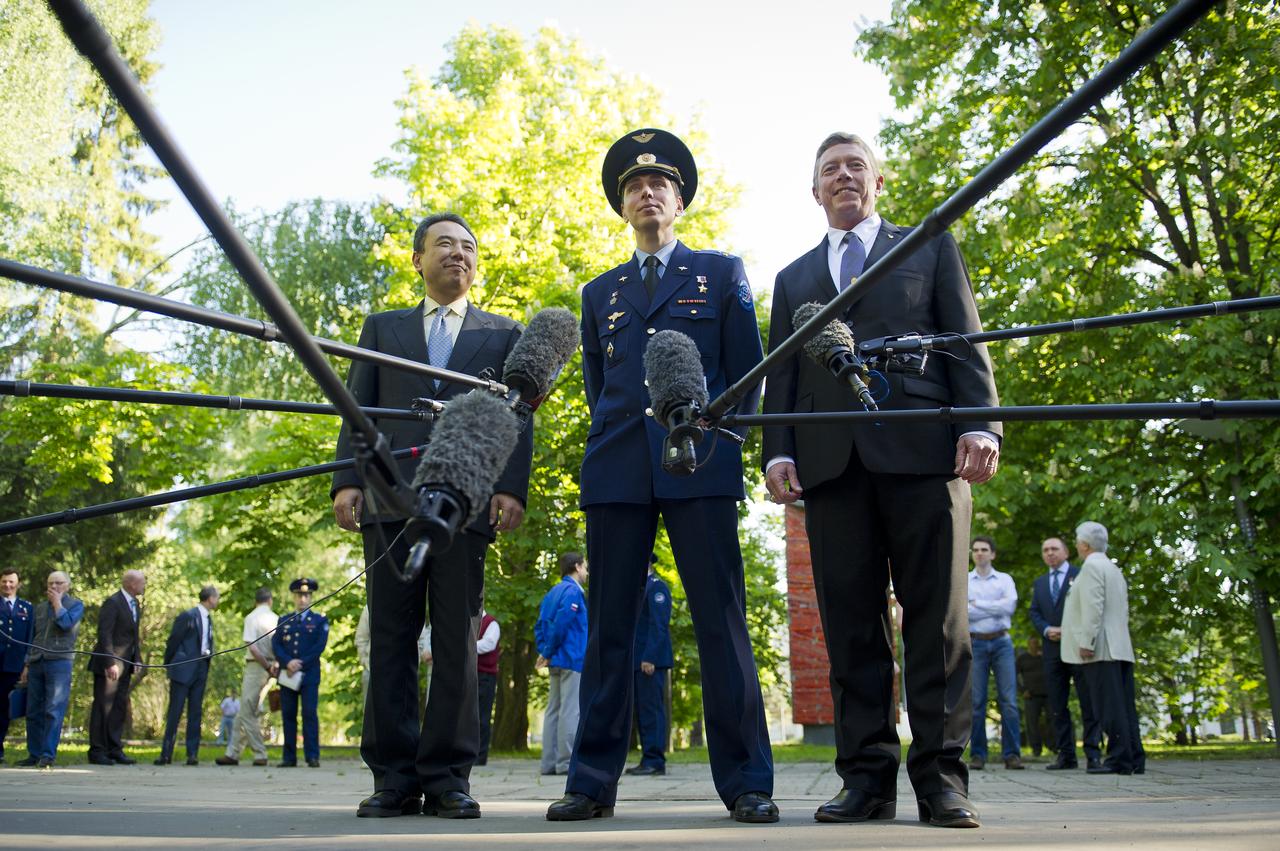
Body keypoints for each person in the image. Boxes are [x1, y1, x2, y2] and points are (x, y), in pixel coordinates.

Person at [762, 132, 1001, 828]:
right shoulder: (793, 277)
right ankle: (865, 778)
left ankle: (942, 780)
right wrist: (778, 449)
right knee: (850, 628)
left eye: (855, 166)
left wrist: (979, 424)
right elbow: (782, 375)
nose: (843, 177)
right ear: (815, 192)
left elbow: (964, 338)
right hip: (832, 468)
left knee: (939, 621)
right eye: (830, 170)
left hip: (926, 454)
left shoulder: (927, 246)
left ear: (878, 182)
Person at [548, 128, 775, 825]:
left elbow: (747, 375)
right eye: (634, 187)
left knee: (721, 622)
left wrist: (719, 442)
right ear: (622, 206)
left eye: (660, 185)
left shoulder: (719, 271)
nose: (647, 194)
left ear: (679, 200)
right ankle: (591, 780)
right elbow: (598, 383)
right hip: (617, 466)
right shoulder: (600, 292)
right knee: (609, 625)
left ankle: (746, 781)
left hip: (700, 462)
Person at [332, 211, 533, 820]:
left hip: (464, 503)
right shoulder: (381, 327)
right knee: (391, 638)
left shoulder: (504, 335)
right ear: (417, 259)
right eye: (444, 244)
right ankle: (393, 776)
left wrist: (510, 489)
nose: (458, 254)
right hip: (389, 502)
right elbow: (355, 404)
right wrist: (347, 480)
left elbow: (519, 418)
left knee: (455, 642)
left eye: (469, 247)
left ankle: (448, 775)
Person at [1061, 522, 1145, 775]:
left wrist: (1087, 642)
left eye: (1077, 540)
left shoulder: (1091, 567)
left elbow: (1093, 607)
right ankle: (1135, 758)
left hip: (1102, 648)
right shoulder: (1112, 567)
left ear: (1084, 544)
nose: (1076, 545)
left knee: (1108, 707)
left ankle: (1119, 759)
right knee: (1125, 706)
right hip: (1120, 645)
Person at [1029, 536, 1102, 770]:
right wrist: (1047, 629)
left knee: (1087, 700)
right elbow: (1035, 612)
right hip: (1051, 649)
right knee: (1057, 704)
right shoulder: (1040, 583)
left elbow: (1089, 606)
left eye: (1054, 549)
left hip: (1079, 647)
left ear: (1066, 552)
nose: (1049, 553)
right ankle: (1066, 755)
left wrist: (1070, 630)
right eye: (1045, 550)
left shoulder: (1081, 574)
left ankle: (1093, 754)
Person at [966, 537, 1023, 770]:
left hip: (1002, 643)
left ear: (993, 554)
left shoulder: (1005, 579)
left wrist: (977, 604)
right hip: (976, 643)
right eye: (976, 550)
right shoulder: (965, 580)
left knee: (1008, 701)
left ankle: (1012, 755)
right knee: (976, 702)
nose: (979, 553)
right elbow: (964, 611)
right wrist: (993, 606)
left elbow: (1009, 607)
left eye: (984, 550)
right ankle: (978, 755)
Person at [17, 571, 83, 768]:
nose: (54, 587)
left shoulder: (75, 605)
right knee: (33, 710)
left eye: (59, 583)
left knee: (53, 710)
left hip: (60, 662)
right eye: (51, 583)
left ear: (67, 585)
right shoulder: (38, 608)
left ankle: (48, 754)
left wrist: (57, 604)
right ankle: (34, 753)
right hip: (37, 661)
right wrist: (27, 663)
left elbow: (65, 624)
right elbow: (32, 637)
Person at [535, 552, 588, 777]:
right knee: (569, 711)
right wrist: (548, 652)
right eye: (585, 567)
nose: (587, 572)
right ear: (576, 566)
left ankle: (549, 763)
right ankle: (565, 763)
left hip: (555, 657)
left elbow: (540, 625)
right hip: (570, 657)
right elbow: (562, 623)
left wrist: (544, 652)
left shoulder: (552, 592)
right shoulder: (573, 592)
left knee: (553, 710)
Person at [87, 569, 146, 766]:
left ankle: (114, 748)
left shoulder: (134, 604)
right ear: (132, 584)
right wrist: (110, 662)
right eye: (142, 582)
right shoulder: (113, 603)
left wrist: (136, 659)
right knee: (103, 707)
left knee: (118, 707)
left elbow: (133, 637)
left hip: (126, 665)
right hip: (109, 665)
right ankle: (97, 750)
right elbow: (105, 634)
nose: (144, 585)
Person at [156, 586, 220, 765]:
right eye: (217, 597)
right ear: (210, 598)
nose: (218, 601)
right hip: (183, 669)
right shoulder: (188, 616)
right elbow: (174, 640)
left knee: (196, 712)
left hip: (201, 668)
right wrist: (169, 664)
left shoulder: (209, 618)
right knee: (175, 711)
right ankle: (166, 753)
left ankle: (192, 754)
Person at [216, 587, 279, 767]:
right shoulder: (275, 618)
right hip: (270, 668)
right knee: (248, 710)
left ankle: (260, 753)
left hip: (257, 667)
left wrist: (266, 666)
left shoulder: (252, 618)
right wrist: (273, 666)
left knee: (246, 712)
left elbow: (252, 647)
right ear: (270, 600)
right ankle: (233, 752)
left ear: (255, 601)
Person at [272, 578, 329, 768]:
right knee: (288, 714)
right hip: (288, 675)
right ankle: (289, 757)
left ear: (311, 597)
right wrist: (287, 662)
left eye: (306, 595)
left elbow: (319, 646)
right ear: (293, 597)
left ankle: (312, 755)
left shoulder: (320, 620)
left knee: (309, 714)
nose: (302, 599)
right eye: (299, 595)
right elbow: (276, 644)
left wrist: (300, 662)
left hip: (309, 675)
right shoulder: (284, 620)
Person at [626, 553, 673, 776]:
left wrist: (650, 657)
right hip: (639, 660)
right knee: (643, 711)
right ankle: (648, 757)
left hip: (649, 661)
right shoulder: (640, 587)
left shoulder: (656, 588)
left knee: (652, 710)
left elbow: (659, 625)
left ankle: (655, 760)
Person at [1, 568, 34, 763]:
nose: (7, 585)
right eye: (4, 581)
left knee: (6, 709)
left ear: (18, 584)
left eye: (11, 582)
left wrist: (26, 665)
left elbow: (30, 638)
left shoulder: (27, 608)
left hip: (14, 666)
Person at [1017, 635, 1050, 758]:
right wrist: (1022, 690)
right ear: (1028, 644)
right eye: (1032, 643)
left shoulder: (1044, 657)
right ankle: (1036, 748)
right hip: (1031, 695)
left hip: (1048, 694)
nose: (1034, 645)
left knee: (1052, 719)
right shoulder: (1022, 659)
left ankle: (1053, 745)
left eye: (1036, 643)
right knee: (1032, 723)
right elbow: (1015, 675)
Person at [475, 608, 500, 766]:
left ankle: (480, 756)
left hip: (486, 676)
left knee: (483, 717)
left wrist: (467, 645)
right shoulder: (469, 624)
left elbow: (488, 644)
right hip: (471, 675)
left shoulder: (491, 623)